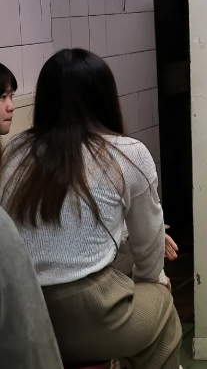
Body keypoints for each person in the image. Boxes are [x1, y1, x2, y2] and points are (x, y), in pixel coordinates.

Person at [0, 49, 181, 369]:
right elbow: (149, 248)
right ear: (105, 97)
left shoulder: (16, 151)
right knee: (162, 309)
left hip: (25, 310)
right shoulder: (129, 153)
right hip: (91, 311)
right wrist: (153, 284)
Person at [0, 62, 64, 368]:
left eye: (11, 95)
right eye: (2, 98)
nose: (11, 106)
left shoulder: (10, 151)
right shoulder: (17, 153)